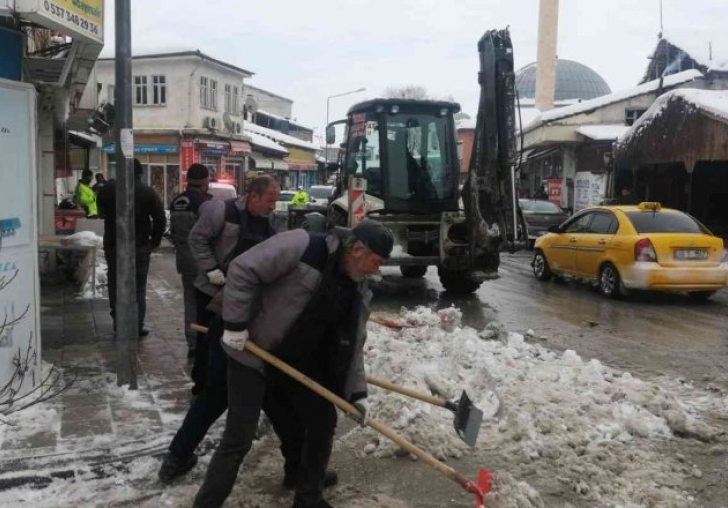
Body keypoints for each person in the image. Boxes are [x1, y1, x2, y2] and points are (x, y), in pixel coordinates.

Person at [191, 219, 394, 508]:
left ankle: (307, 494)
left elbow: (353, 342)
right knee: (240, 437)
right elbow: (242, 268)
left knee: (320, 418)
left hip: (296, 357)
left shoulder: (357, 289)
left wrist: (355, 392)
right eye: (376, 261)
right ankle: (206, 504)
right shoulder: (304, 246)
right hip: (251, 349)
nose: (377, 270)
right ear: (357, 250)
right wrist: (235, 324)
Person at [159, 175, 328, 487]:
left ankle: (297, 467)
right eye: (268, 199)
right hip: (221, 307)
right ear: (252, 196)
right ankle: (178, 456)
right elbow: (198, 239)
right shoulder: (220, 211)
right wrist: (211, 270)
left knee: (270, 398)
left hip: (249, 316)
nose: (272, 205)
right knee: (219, 394)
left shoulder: (275, 225)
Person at [96, 159, 166, 336]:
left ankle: (119, 323)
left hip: (113, 245)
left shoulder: (106, 191)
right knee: (139, 286)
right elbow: (160, 219)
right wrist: (154, 241)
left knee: (115, 283)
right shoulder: (148, 192)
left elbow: (101, 214)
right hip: (140, 246)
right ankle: (136, 324)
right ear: (139, 174)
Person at [168, 164, 213, 359]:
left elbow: (174, 233)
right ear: (204, 182)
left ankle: (192, 342)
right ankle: (205, 341)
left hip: (185, 261)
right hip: (204, 262)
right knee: (207, 303)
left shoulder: (177, 201)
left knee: (189, 301)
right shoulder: (204, 203)